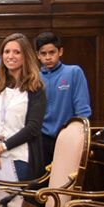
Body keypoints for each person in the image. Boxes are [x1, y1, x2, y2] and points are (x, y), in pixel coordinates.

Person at [0, 33, 47, 182]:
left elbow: (33, 127)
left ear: (25, 56)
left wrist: (0, 148)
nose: (10, 56)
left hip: (19, 157)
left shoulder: (35, 88)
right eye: (7, 52)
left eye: (17, 52)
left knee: (15, 205)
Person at [35, 32, 91, 166]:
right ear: (37, 55)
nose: (48, 57)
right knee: (41, 182)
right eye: (43, 53)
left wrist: (77, 135)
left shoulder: (74, 72)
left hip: (68, 137)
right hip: (41, 139)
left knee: (65, 182)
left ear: (60, 51)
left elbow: (83, 110)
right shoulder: (34, 77)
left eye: (52, 52)